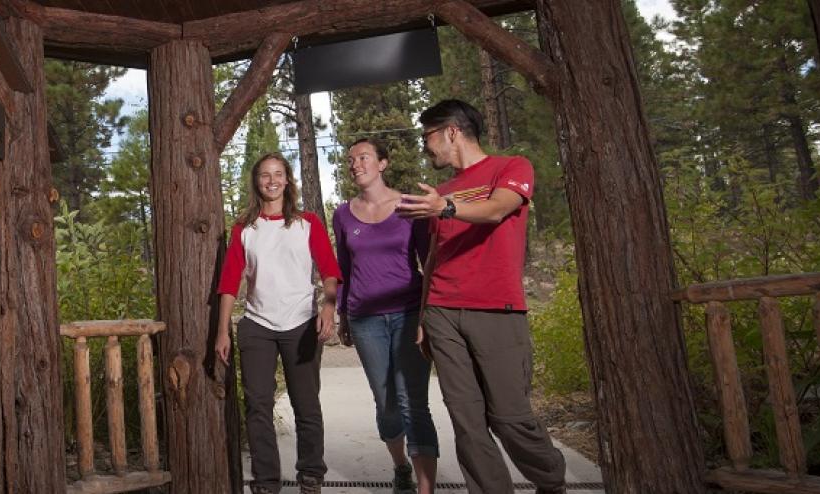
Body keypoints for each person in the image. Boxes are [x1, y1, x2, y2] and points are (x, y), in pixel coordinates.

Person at [397, 100, 567, 494]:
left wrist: (448, 207)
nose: (426, 146)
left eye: (429, 136)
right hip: (442, 313)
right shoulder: (439, 192)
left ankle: (551, 479)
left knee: (510, 418)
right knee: (467, 424)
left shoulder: (511, 167)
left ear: (451, 131)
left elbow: (497, 210)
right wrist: (424, 316)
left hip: (496, 309)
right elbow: (435, 257)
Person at [214, 153, 342, 494]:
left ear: (288, 180)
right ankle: (267, 480)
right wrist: (222, 330)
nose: (272, 180)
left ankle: (311, 473)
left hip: (300, 323)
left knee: (306, 403)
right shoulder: (244, 228)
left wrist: (328, 309)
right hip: (257, 325)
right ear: (257, 182)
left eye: (278, 174)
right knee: (258, 405)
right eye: (265, 175)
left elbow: (330, 271)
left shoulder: (308, 223)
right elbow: (229, 283)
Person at [333, 138, 439, 494]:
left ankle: (425, 488)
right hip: (365, 319)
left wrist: (427, 318)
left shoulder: (409, 205)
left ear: (382, 163)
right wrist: (343, 315)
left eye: (363, 157)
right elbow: (344, 268)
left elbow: (428, 262)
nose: (355, 164)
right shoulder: (343, 213)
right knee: (387, 403)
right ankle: (401, 467)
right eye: (350, 160)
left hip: (409, 314)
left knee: (413, 401)